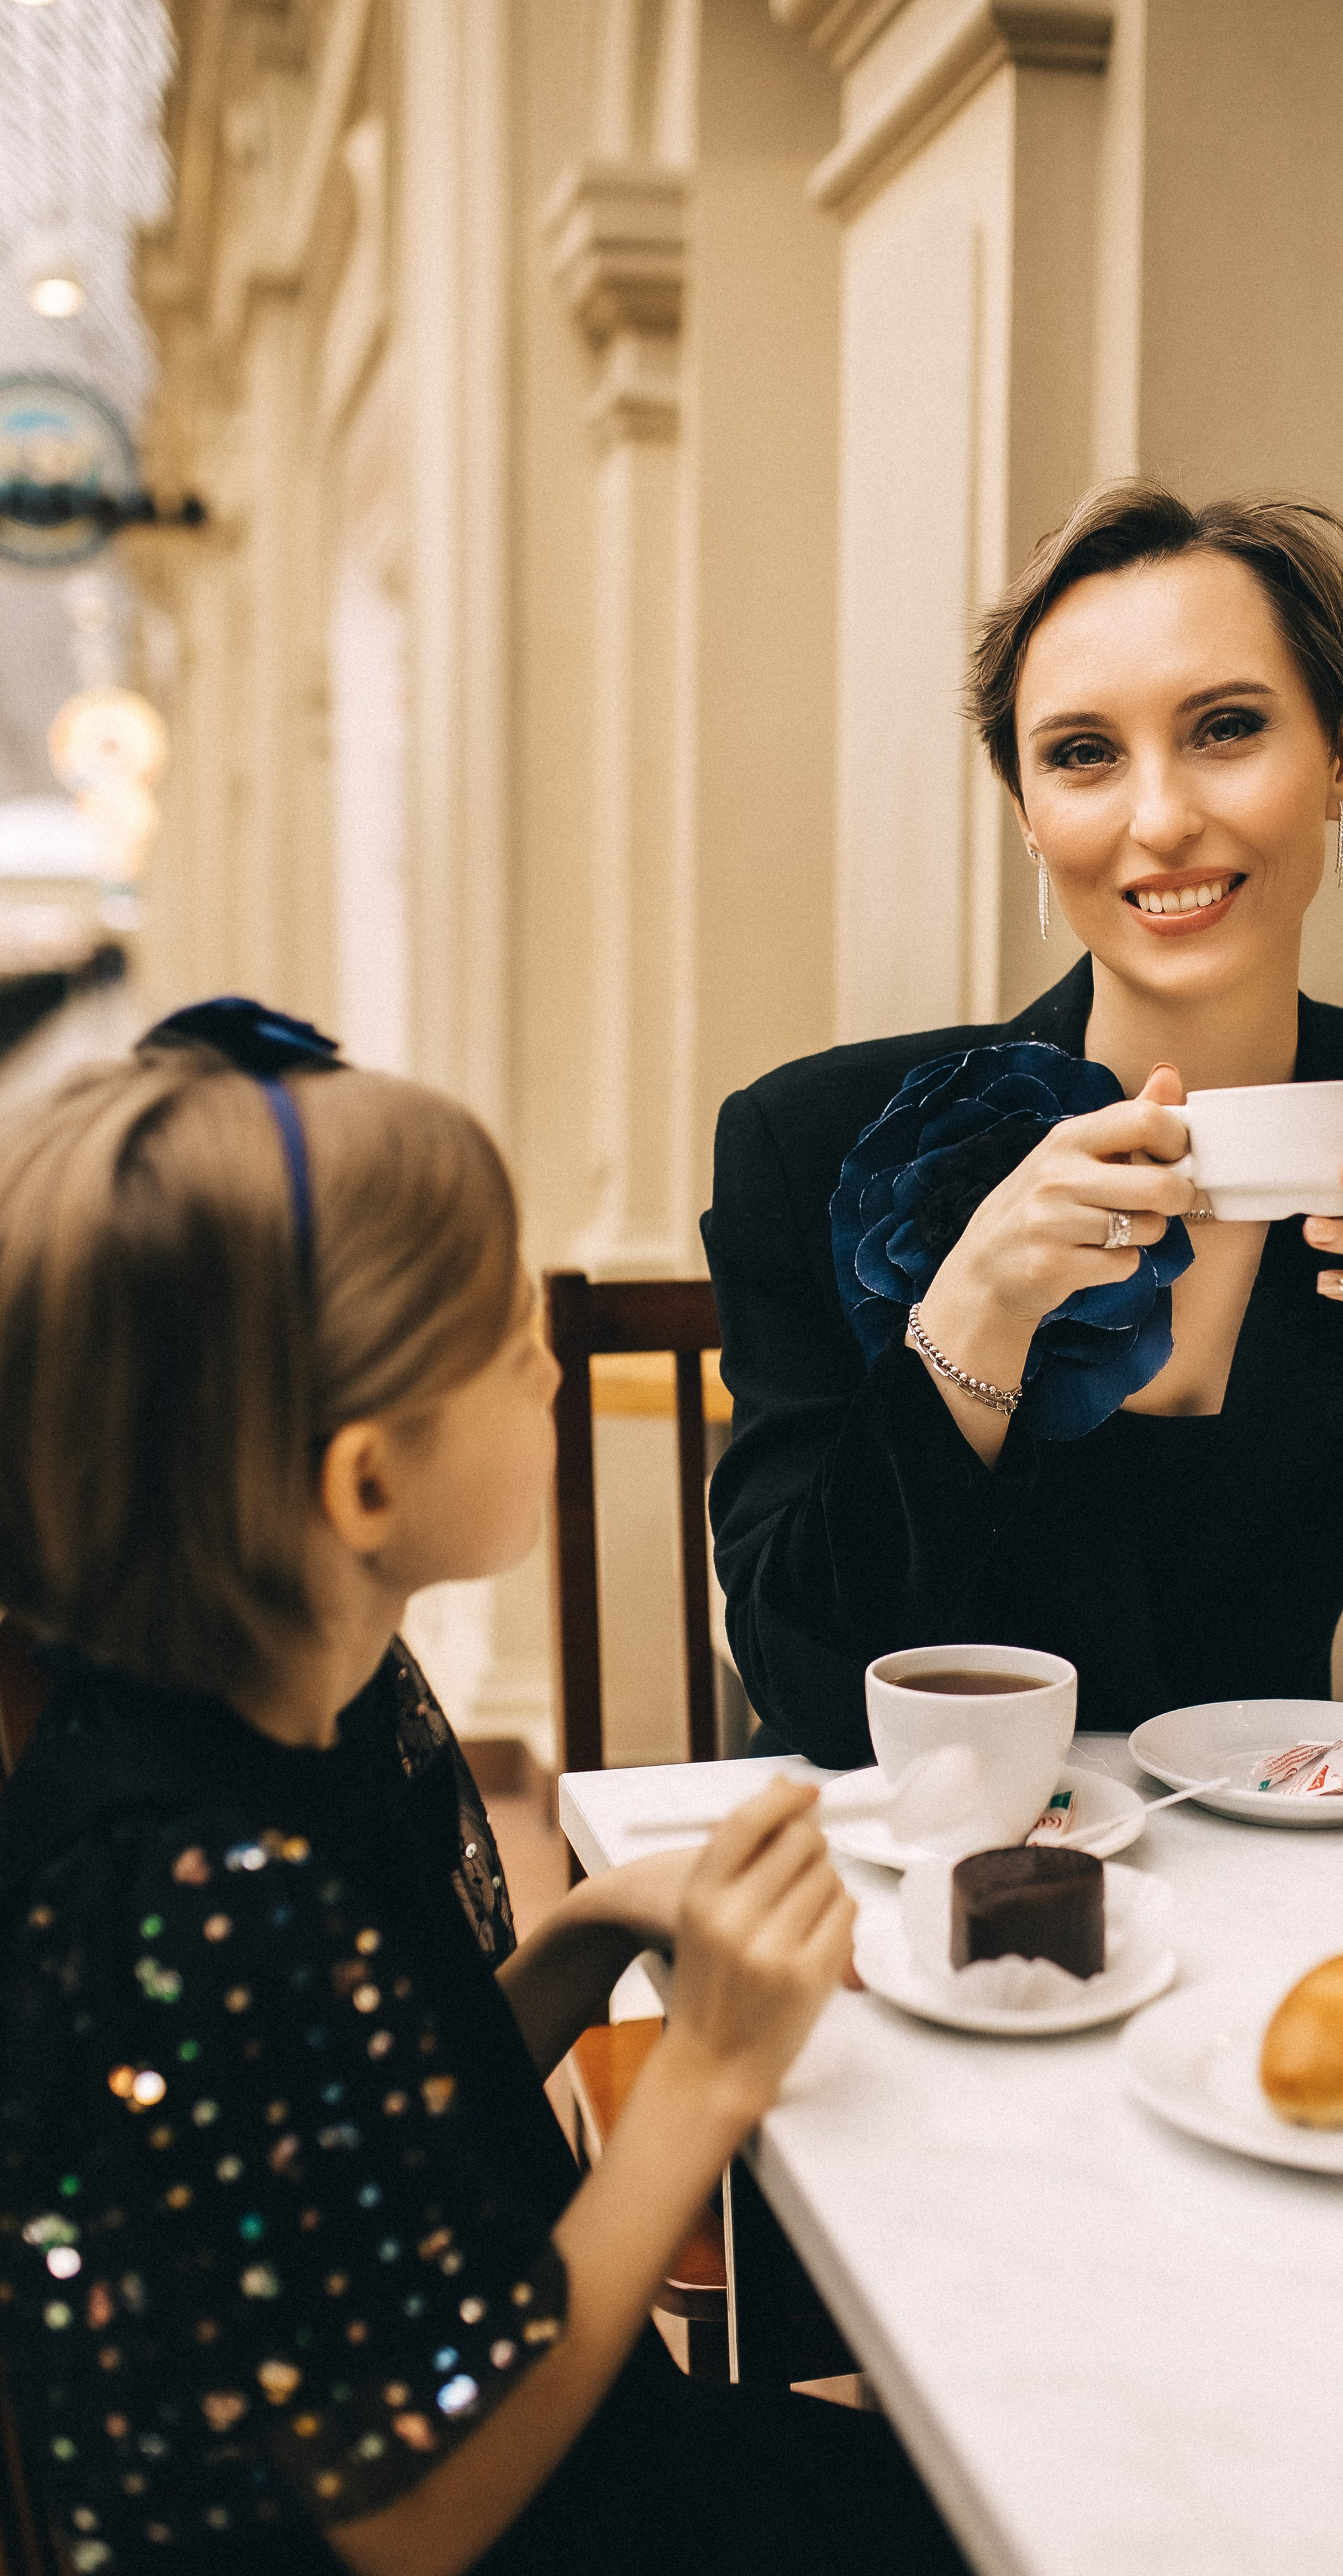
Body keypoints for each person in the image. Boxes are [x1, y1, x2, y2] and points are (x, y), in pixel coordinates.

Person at [0, 1000, 965, 2576]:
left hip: (572, 2460)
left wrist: (586, 1940)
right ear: (363, 1482)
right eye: (509, 1339)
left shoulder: (270, 1721)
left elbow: (354, 2127)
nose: (550, 1365)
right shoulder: (188, 1870)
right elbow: (413, 2505)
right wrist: (709, 2071)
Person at [704, 481, 1343, 1767]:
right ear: (1029, 809)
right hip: (918, 1886)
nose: (1159, 819)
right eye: (1083, 754)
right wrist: (972, 1318)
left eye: (1227, 729)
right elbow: (809, 1696)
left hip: (1284, 1874)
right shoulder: (811, 1144)